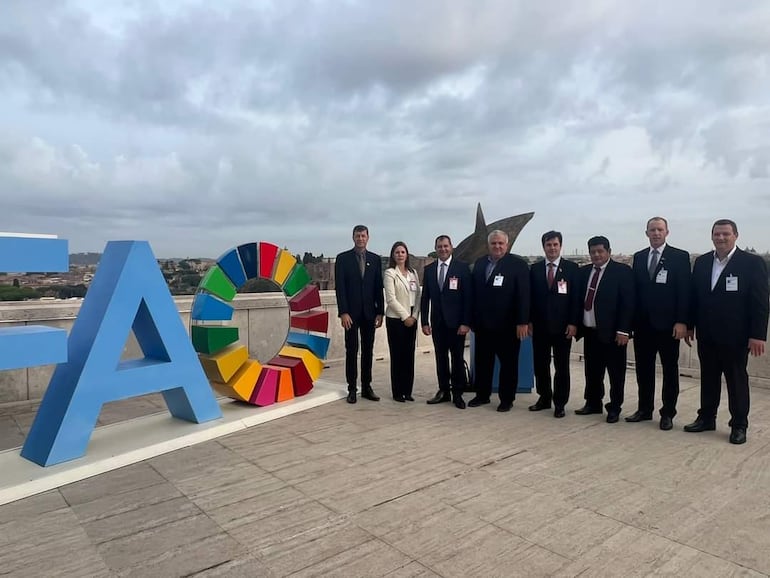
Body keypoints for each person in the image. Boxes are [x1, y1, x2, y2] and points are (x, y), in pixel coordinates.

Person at [684, 219, 769, 445]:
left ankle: (739, 424)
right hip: (707, 334)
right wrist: (690, 325)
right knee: (709, 378)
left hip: (736, 336)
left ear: (736, 236)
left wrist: (758, 334)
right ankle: (706, 418)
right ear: (711, 236)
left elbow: (760, 302)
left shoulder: (751, 263)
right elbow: (694, 298)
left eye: (725, 234)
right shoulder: (702, 262)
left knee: (736, 380)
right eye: (717, 234)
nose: (720, 238)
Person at [627, 217, 691, 431]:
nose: (656, 233)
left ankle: (667, 413)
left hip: (668, 326)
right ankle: (644, 409)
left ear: (667, 232)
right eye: (652, 230)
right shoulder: (639, 257)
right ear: (646, 233)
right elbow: (634, 292)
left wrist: (682, 321)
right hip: (643, 326)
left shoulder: (679, 257)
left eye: (660, 229)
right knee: (643, 371)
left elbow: (684, 292)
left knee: (669, 371)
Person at [469, 230, 530, 412]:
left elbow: (524, 296)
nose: (497, 246)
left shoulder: (518, 265)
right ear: (489, 245)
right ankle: (482, 395)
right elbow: (474, 294)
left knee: (509, 365)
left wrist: (522, 322)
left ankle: (506, 399)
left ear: (507, 244)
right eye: (494, 243)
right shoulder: (480, 264)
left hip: (508, 326)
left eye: (500, 243)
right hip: (483, 325)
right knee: (483, 362)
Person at [576, 236, 634, 423]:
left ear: (608, 251)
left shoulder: (622, 271)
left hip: (613, 333)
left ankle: (615, 407)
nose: (597, 255)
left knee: (616, 373)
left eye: (600, 251)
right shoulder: (584, 272)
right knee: (592, 371)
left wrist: (624, 330)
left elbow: (628, 303)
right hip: (590, 331)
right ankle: (593, 403)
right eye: (593, 252)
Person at [528, 231, 581, 418]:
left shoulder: (572, 268)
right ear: (544, 247)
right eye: (548, 245)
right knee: (540, 365)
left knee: (561, 366)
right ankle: (544, 397)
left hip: (562, 328)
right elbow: (529, 299)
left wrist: (574, 323)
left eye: (555, 245)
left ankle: (560, 403)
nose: (552, 248)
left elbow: (576, 299)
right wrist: (529, 321)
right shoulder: (534, 269)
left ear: (560, 246)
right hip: (540, 327)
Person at [420, 235, 472, 409]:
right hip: (438, 323)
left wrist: (466, 322)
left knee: (457, 358)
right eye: (439, 246)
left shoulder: (462, 268)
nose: (442, 249)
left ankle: (457, 393)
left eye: (445, 246)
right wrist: (425, 322)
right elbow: (425, 297)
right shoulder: (429, 270)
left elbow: (467, 298)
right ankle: (443, 391)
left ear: (452, 247)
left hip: (457, 324)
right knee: (440, 358)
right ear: (435, 248)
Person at [335, 225, 384, 404]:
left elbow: (379, 286)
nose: (360, 239)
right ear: (353, 237)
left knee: (368, 351)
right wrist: (343, 312)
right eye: (357, 236)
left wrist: (380, 312)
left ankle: (366, 386)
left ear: (368, 237)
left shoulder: (375, 259)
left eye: (363, 236)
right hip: (351, 314)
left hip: (370, 313)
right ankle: (352, 388)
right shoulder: (343, 259)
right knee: (351, 350)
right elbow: (340, 288)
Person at [383, 241, 422, 402]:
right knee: (398, 356)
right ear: (393, 255)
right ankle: (398, 392)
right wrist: (405, 316)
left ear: (407, 255)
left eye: (403, 252)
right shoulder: (390, 273)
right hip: (396, 320)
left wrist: (414, 315)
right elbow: (391, 299)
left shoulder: (413, 273)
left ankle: (408, 391)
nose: (400, 255)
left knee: (409, 356)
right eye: (397, 252)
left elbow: (419, 295)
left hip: (412, 319)